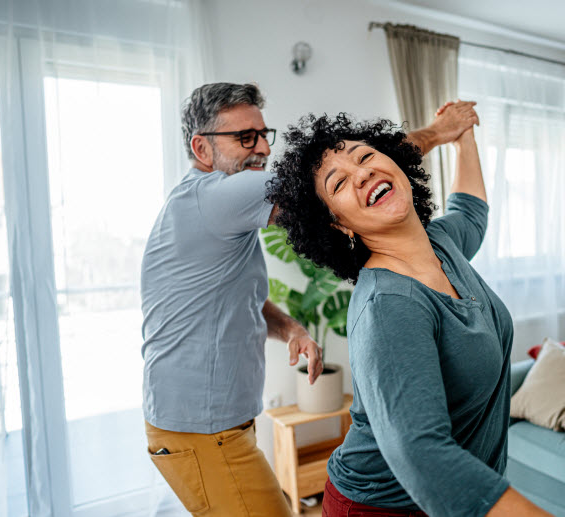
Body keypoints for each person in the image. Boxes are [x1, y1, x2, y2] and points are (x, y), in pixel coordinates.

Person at [139, 82, 479, 517]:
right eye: (246, 137)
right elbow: (345, 178)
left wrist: (291, 330)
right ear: (201, 148)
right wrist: (440, 131)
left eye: (264, 135)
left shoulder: (208, 206)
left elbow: (232, 301)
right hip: (201, 430)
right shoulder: (217, 196)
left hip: (213, 426)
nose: (263, 148)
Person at [266, 108, 553, 517]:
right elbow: (423, 455)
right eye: (339, 183)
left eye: (365, 157)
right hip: (382, 508)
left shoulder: (442, 243)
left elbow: (471, 211)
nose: (361, 173)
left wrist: (463, 136)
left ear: (397, 164)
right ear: (338, 225)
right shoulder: (387, 306)